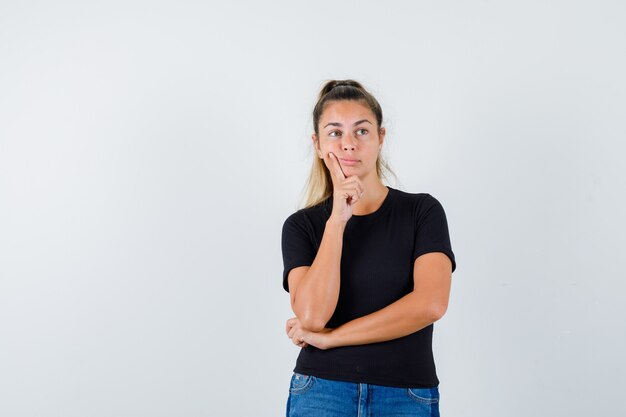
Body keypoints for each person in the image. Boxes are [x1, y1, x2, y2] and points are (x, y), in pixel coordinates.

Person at [281, 79, 457, 416]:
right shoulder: (302, 226)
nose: (349, 145)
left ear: (380, 138)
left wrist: (332, 339)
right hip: (322, 392)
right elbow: (314, 317)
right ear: (318, 144)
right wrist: (337, 222)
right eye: (335, 133)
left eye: (361, 131)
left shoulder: (422, 212)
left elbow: (430, 304)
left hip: (406, 394)